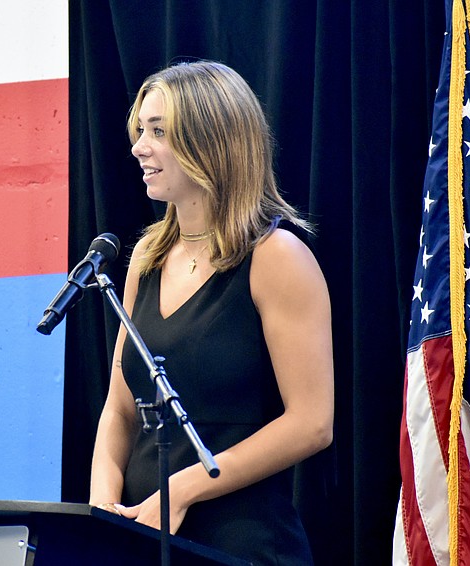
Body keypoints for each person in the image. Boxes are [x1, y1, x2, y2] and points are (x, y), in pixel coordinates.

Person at [88, 60, 334, 564]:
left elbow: (312, 422)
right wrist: (102, 510)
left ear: (210, 143)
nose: (138, 147)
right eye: (141, 130)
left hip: (241, 545)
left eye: (159, 131)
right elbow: (120, 407)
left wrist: (183, 489)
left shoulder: (276, 257)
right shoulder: (146, 258)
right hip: (144, 539)